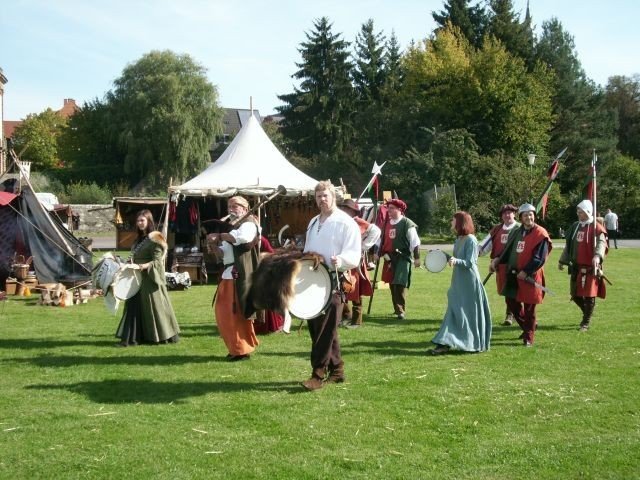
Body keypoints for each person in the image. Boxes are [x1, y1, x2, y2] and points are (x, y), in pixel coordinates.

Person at [301, 181, 361, 391]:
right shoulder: (313, 222)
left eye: (325, 196)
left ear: (333, 197)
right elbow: (308, 248)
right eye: (318, 196)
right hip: (314, 279)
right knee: (319, 327)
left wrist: (342, 260)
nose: (321, 200)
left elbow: (354, 254)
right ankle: (337, 371)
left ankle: (317, 374)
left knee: (325, 330)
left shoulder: (345, 222)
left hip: (334, 279)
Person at [429, 212, 492, 355]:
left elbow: (470, 262)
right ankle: (445, 343)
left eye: (453, 220)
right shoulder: (458, 239)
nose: (451, 222)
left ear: (460, 222)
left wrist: (456, 261)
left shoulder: (471, 240)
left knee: (468, 313)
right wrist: (442, 255)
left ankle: (468, 344)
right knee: (453, 310)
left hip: (469, 282)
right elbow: (456, 259)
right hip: (458, 280)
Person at [490, 203, 552, 347]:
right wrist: (496, 260)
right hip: (513, 274)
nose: (529, 217)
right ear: (521, 218)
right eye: (525, 215)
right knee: (511, 302)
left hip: (530, 276)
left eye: (531, 214)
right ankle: (528, 327)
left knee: (529, 307)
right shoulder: (516, 232)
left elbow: (539, 257)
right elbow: (507, 251)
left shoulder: (540, 233)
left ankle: (529, 337)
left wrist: (527, 271)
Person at [116, 209, 180, 346]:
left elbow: (158, 261)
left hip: (149, 280)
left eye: (142, 220)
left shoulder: (156, 239)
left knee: (154, 307)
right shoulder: (139, 239)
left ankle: (161, 335)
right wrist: (128, 263)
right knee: (135, 307)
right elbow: (134, 257)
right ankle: (135, 337)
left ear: (149, 221)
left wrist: (143, 266)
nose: (139, 223)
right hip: (136, 278)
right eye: (138, 221)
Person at [207, 196, 260, 361]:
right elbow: (223, 255)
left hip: (241, 274)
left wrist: (220, 236)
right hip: (228, 273)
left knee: (237, 313)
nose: (231, 209)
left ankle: (241, 350)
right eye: (229, 206)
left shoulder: (250, 223)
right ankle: (234, 347)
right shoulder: (232, 227)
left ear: (244, 208)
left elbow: (241, 238)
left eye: (235, 206)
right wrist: (214, 245)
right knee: (224, 314)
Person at [558, 200, 608, 331]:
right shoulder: (575, 226)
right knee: (575, 295)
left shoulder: (596, 227)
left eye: (581, 212)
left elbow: (601, 243)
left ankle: (585, 322)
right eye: (578, 212)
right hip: (576, 267)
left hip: (591, 268)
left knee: (590, 295)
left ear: (588, 212)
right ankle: (587, 312)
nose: (578, 214)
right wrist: (562, 261)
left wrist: (597, 256)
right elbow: (569, 245)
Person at [374, 199, 421, 320]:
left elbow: (415, 242)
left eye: (392, 208)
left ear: (399, 210)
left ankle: (401, 310)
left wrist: (417, 258)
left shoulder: (407, 223)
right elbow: (380, 241)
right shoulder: (386, 223)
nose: (389, 210)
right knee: (391, 284)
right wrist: (376, 253)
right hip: (388, 258)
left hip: (402, 257)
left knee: (400, 283)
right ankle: (396, 308)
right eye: (388, 208)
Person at [337, 198, 381, 328]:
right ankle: (346, 316)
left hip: (354, 262)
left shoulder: (356, 221)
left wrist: (363, 246)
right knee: (341, 289)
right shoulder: (342, 222)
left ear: (351, 210)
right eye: (342, 208)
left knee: (355, 289)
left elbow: (376, 231)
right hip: (343, 260)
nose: (343, 210)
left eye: (345, 208)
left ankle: (357, 320)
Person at [478, 204, 520, 326]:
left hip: (516, 266)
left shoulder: (520, 228)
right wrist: (475, 253)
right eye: (504, 213)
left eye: (510, 212)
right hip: (500, 267)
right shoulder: (497, 229)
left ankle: (512, 315)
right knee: (506, 291)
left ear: (514, 214)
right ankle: (515, 314)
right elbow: (485, 245)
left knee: (514, 291)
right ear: (501, 216)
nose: (507, 215)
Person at [253, 235, 285, 334]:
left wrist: (261, 257)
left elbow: (272, 254)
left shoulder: (261, 240)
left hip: (264, 273)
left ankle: (267, 326)